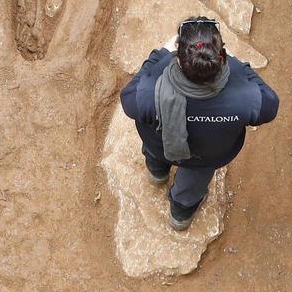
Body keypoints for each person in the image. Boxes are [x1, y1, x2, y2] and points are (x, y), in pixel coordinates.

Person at [119, 16, 279, 230]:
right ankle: (180, 216)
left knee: (156, 153)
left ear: (178, 59)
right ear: (220, 57)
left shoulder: (152, 87)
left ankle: (157, 174)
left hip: (160, 146)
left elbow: (129, 100)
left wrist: (160, 55)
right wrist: (239, 65)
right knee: (193, 183)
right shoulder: (246, 95)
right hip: (207, 156)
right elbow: (270, 105)